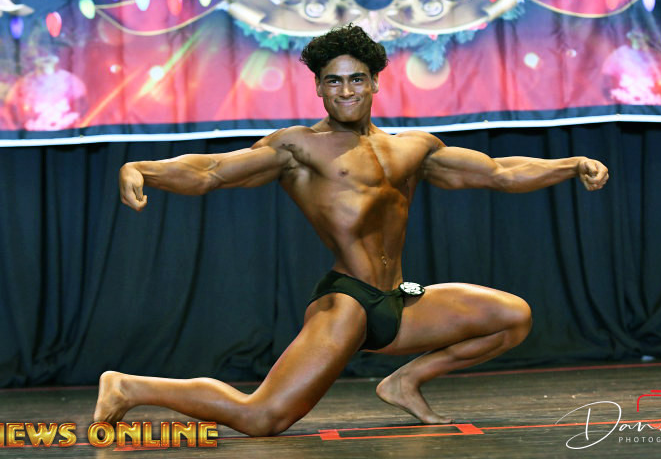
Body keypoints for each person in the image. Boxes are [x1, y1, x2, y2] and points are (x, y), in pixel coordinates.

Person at [94, 24, 609, 436]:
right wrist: (143, 170)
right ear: (319, 87)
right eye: (334, 81)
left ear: (375, 82)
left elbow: (499, 172)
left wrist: (569, 164)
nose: (346, 90)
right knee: (262, 417)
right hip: (348, 303)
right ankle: (129, 387)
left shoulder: (412, 148)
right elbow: (211, 171)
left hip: (398, 302)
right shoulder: (298, 147)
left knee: (512, 317)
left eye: (356, 79)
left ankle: (405, 381)